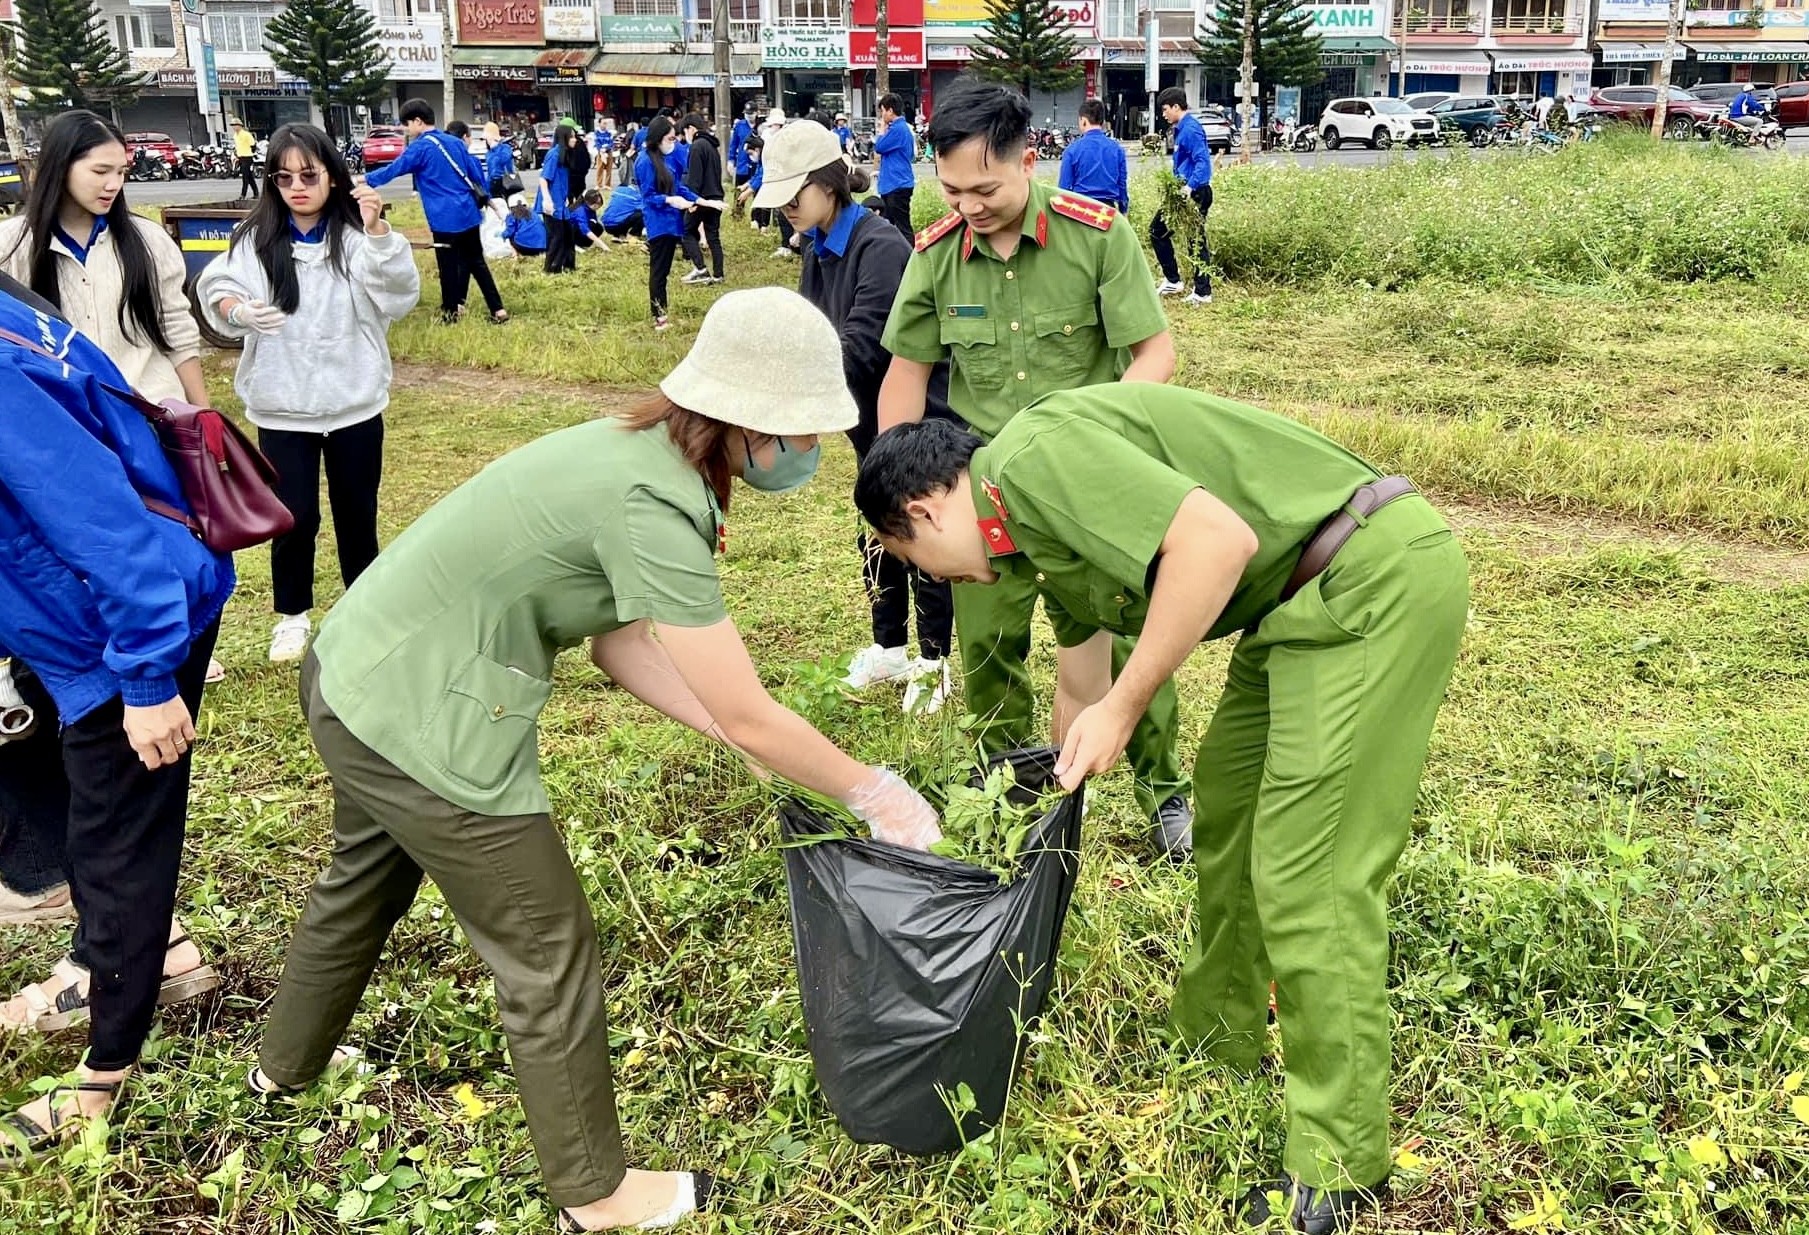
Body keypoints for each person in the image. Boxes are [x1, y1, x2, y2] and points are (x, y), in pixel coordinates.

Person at [251, 287, 940, 1233]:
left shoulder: (633, 450)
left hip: (358, 673)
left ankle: (280, 1067)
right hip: (422, 716)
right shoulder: (652, 502)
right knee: (546, 947)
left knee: (362, 878)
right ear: (748, 421)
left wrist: (731, 730)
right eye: (802, 432)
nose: (810, 453)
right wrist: (873, 790)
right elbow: (745, 705)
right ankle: (595, 1192)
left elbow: (620, 645)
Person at [854, 389, 1469, 1235]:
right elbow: (1082, 684)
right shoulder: (1032, 540)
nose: (935, 579)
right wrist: (1053, 787)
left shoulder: (1033, 460)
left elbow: (1218, 542)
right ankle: (1216, 1032)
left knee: (1310, 872)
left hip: (1367, 583)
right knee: (1226, 818)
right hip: (1290, 610)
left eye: (915, 558)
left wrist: (1127, 705)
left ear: (922, 511)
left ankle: (1339, 1157)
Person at [876, 78, 1194, 860]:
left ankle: (1163, 795)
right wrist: (896, 489)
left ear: (1027, 158)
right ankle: (1008, 791)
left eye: (983, 186)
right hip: (985, 497)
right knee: (988, 652)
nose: (968, 204)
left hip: (1088, 488)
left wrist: (1100, 434)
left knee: (1125, 638)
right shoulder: (937, 254)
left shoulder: (1096, 236)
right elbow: (904, 377)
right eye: (950, 188)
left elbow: (1153, 353)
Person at [0, 280, 235, 1157]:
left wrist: (144, 680)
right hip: (65, 625)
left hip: (122, 626)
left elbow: (101, 521)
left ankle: (103, 1076)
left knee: (118, 838)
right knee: (54, 802)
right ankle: (121, 950)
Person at [196, 123, 420, 666]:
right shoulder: (256, 241)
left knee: (356, 512)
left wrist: (380, 235)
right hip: (283, 408)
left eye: (309, 175)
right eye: (284, 177)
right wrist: (237, 312)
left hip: (355, 405)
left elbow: (399, 296)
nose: (298, 187)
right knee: (293, 517)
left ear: (332, 177)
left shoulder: (355, 239)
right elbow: (218, 288)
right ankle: (292, 616)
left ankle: (363, 611)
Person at [756, 121, 960, 713]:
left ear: (828, 184)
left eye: (796, 195)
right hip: (862, 420)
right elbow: (811, 334)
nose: (788, 209)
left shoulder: (881, 247)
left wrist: (787, 393)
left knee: (919, 528)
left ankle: (932, 661)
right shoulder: (819, 250)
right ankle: (890, 648)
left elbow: (861, 347)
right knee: (876, 529)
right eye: (781, 199)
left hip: (913, 419)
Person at [0, 111, 209, 409]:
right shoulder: (10, 245)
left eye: (120, 172)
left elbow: (176, 329)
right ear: (60, 167)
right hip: (62, 417)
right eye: (100, 172)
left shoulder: (149, 240)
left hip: (150, 410)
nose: (113, 184)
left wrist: (203, 414)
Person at [365, 98, 508, 325]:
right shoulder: (455, 142)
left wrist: (365, 180)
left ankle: (450, 314)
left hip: (444, 218)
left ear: (418, 121)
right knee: (476, 262)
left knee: (448, 266)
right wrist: (487, 199)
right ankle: (498, 309)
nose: (405, 129)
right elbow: (476, 174)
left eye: (406, 124)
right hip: (469, 213)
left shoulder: (420, 148)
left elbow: (395, 169)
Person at [1150, 86, 1213, 307]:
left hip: (1194, 192)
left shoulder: (1191, 130)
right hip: (1181, 192)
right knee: (1158, 231)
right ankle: (1173, 280)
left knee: (1195, 240)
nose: (1163, 114)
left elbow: (1203, 162)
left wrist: (1190, 187)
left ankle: (1203, 292)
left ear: (1177, 107)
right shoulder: (1180, 128)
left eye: (1165, 109)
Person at [634, 115, 698, 332]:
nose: (674, 142)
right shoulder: (644, 161)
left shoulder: (664, 158)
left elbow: (678, 183)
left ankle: (663, 313)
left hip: (671, 223)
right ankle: (659, 317)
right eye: (670, 139)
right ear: (658, 138)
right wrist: (669, 200)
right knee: (659, 272)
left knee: (665, 271)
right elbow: (648, 196)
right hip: (658, 223)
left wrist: (698, 200)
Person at [1059, 97, 1130, 214]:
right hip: (1108, 212)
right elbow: (1122, 185)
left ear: (1083, 121)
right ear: (1102, 121)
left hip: (1081, 211)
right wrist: (1123, 211)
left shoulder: (1072, 150)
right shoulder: (1117, 149)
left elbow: (1064, 189)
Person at [679, 113, 726, 286]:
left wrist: (692, 201)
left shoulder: (697, 146)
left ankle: (700, 269)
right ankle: (718, 274)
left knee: (685, 231)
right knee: (713, 236)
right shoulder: (712, 146)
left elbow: (694, 177)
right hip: (716, 196)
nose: (686, 137)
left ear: (691, 129)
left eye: (685, 133)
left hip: (702, 198)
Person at [539, 123, 588, 275]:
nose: (575, 140)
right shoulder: (553, 155)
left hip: (561, 202)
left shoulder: (565, 155)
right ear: (565, 138)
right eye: (572, 137)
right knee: (557, 237)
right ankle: (550, 269)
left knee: (568, 235)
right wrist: (547, 200)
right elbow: (543, 179)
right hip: (552, 203)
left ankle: (569, 267)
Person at [873, 93, 917, 238]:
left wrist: (881, 130)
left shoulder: (897, 130)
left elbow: (879, 146)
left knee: (902, 226)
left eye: (883, 111)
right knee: (890, 225)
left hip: (896, 184)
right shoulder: (903, 128)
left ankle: (910, 256)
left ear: (890, 111)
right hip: (896, 183)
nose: (882, 115)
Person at [483, 121, 518, 206]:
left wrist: (496, 148)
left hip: (504, 182)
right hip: (492, 183)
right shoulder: (489, 153)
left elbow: (502, 160)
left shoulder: (505, 148)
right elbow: (490, 168)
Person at [233, 117, 259, 199]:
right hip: (240, 157)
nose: (234, 127)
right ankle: (256, 193)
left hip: (247, 157)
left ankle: (243, 195)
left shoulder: (246, 135)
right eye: (233, 125)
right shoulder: (235, 136)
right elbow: (237, 147)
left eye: (235, 125)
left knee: (245, 177)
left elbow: (253, 145)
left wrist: (250, 152)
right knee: (249, 177)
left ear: (240, 126)